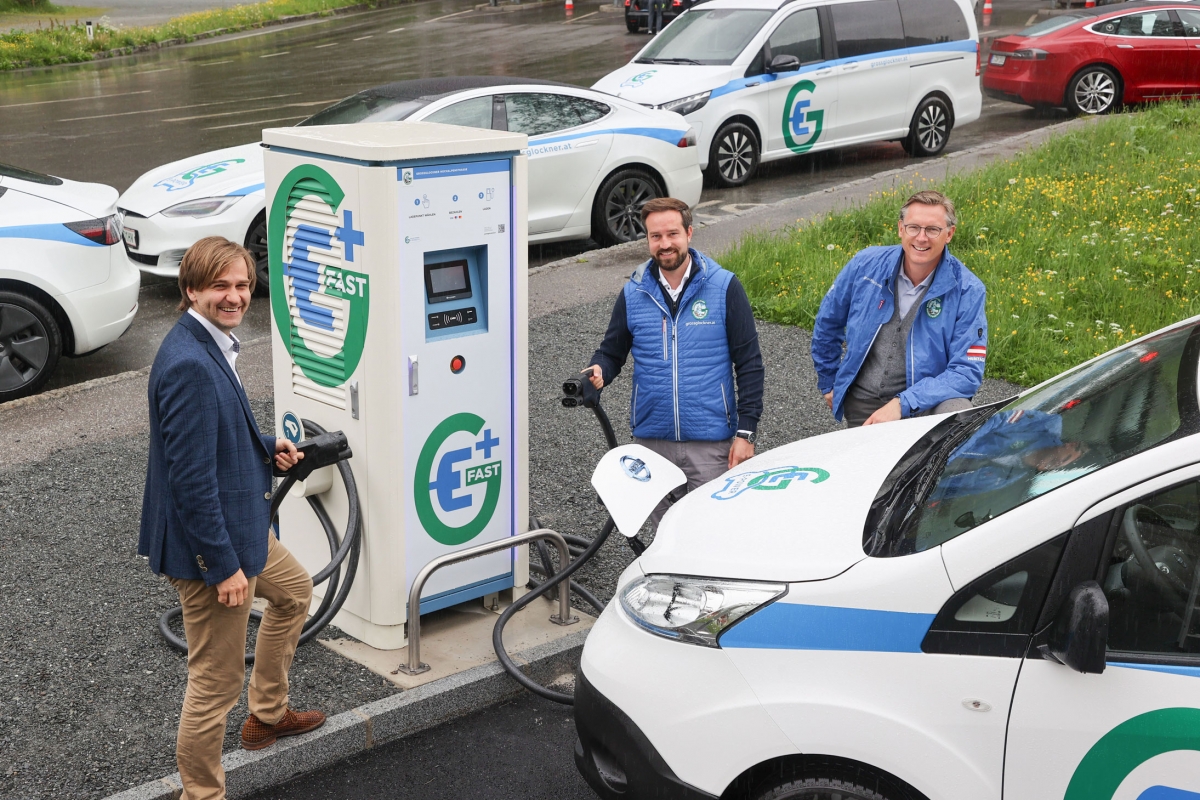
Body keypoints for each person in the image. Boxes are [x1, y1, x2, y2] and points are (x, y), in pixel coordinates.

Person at [139, 237, 324, 800]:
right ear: (191, 289)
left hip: (241, 527)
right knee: (215, 684)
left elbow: (209, 441)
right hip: (213, 548)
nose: (235, 296)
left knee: (294, 593)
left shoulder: (208, 343)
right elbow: (190, 481)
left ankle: (267, 714)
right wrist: (221, 568)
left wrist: (265, 447)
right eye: (220, 285)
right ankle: (202, 795)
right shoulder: (190, 364)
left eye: (242, 284)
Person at [585, 197, 764, 529]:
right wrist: (599, 370)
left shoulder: (724, 287)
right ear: (647, 239)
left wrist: (746, 433)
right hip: (652, 443)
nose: (665, 244)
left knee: (711, 532)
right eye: (656, 236)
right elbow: (611, 352)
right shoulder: (633, 293)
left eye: (672, 234)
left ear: (689, 233)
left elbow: (749, 363)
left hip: (710, 444)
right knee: (663, 536)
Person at [812, 190, 988, 428]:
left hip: (927, 406)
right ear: (900, 229)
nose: (921, 238)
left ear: (949, 234)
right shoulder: (865, 264)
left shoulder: (969, 290)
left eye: (932, 229)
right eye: (913, 227)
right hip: (864, 402)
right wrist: (828, 381)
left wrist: (902, 403)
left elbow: (966, 373)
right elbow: (828, 321)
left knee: (959, 411)